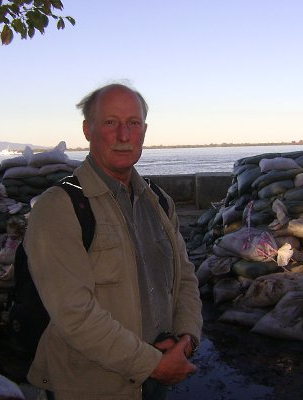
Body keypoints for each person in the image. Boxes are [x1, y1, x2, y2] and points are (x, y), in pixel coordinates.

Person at [23, 83, 203, 400]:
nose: (123, 135)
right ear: (87, 130)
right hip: (91, 387)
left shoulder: (159, 202)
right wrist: (152, 364)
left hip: (155, 379)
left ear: (144, 131)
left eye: (133, 123)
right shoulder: (60, 207)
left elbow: (184, 278)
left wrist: (186, 340)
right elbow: (74, 313)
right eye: (110, 122)